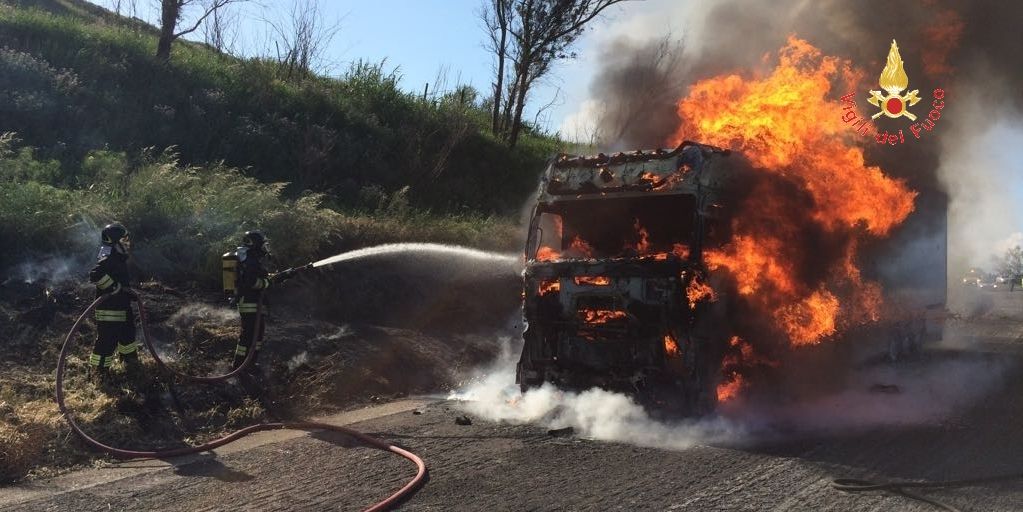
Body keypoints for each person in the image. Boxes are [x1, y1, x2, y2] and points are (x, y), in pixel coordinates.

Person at [231, 230, 297, 372]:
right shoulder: (249, 260)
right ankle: (239, 365)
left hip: (253, 303)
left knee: (258, 333)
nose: (264, 248)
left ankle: (251, 363)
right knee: (249, 334)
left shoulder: (251, 259)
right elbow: (253, 283)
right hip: (249, 302)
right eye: (262, 245)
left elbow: (264, 277)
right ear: (255, 245)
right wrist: (269, 282)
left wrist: (283, 275)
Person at [88, 222, 140, 381]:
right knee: (107, 342)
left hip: (121, 306)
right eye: (124, 239)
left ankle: (130, 366)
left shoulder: (116, 254)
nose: (127, 242)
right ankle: (98, 374)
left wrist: (127, 293)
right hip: (109, 309)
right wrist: (113, 287)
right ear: (116, 241)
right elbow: (95, 275)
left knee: (128, 338)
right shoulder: (109, 255)